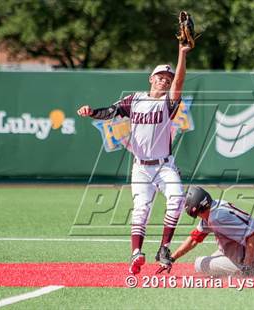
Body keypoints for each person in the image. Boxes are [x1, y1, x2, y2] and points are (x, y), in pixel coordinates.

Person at [77, 44, 191, 274]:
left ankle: (164, 248)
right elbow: (110, 112)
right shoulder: (134, 99)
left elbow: (179, 82)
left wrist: (182, 52)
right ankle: (135, 253)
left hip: (164, 165)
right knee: (141, 210)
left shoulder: (168, 103)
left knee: (177, 199)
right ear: (151, 78)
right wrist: (92, 112)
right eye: (160, 76)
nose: (165, 80)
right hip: (141, 168)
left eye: (167, 78)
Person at [166, 186, 254, 276]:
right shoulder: (214, 206)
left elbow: (252, 235)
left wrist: (247, 267)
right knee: (213, 259)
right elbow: (194, 239)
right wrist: (171, 258)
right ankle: (253, 265)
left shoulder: (216, 218)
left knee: (199, 264)